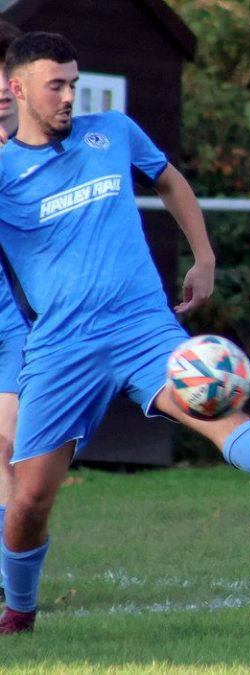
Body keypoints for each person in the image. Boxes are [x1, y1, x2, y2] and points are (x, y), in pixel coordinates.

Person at [0, 32, 250, 634]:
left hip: (142, 327)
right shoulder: (5, 172)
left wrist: (203, 256)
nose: (69, 97)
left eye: (74, 84)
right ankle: (20, 609)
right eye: (56, 86)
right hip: (61, 349)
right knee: (29, 501)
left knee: (213, 409)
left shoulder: (112, 132)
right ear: (18, 89)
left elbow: (169, 182)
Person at [0, 18, 28, 604]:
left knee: (4, 446)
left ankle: (9, 577)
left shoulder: (42, 152)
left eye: (8, 73)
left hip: (19, 323)